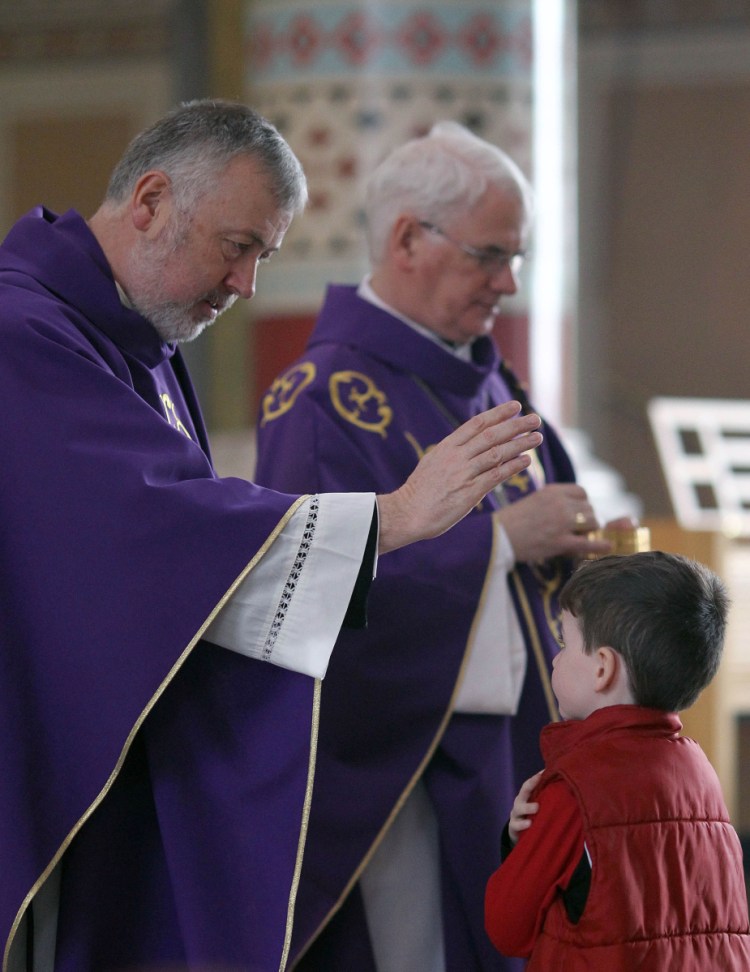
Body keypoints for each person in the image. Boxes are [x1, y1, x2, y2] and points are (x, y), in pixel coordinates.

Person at [0, 100, 545, 972]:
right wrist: (400, 517)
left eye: (266, 255)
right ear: (149, 202)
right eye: (238, 246)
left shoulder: (136, 343)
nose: (249, 286)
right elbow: (152, 538)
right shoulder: (22, 335)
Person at [253, 121, 621, 971]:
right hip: (412, 779)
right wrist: (497, 544)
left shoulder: (485, 375)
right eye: (491, 256)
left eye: (517, 257)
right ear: (408, 239)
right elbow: (308, 600)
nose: (510, 283)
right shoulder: (321, 401)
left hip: (525, 753)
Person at [485, 551, 750, 970]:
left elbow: (507, 928)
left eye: (564, 643)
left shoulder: (575, 787)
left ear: (603, 668)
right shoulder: (702, 772)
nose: (556, 658)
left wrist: (521, 846)